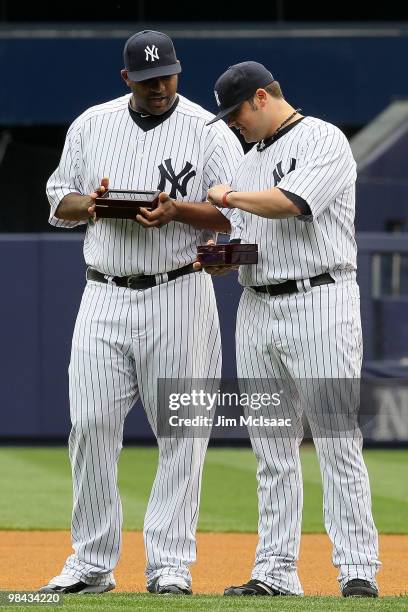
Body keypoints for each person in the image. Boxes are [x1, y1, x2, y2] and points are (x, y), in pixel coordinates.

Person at [40, 30, 243, 595]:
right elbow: (60, 198)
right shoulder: (91, 123)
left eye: (169, 75)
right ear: (126, 78)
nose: (161, 86)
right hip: (103, 293)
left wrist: (179, 211)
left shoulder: (209, 131)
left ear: (180, 71)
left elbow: (235, 216)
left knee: (183, 432)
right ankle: (91, 563)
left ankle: (170, 566)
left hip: (179, 292)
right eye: (149, 79)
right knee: (91, 426)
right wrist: (98, 204)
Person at [205, 61, 381, 598]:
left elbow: (293, 203)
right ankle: (275, 572)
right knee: (270, 448)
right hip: (257, 305)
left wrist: (229, 196)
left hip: (319, 301)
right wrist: (223, 258)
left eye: (237, 112)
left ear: (262, 97)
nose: (233, 124)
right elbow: (254, 236)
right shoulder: (249, 159)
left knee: (335, 438)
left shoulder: (323, 137)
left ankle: (357, 569)